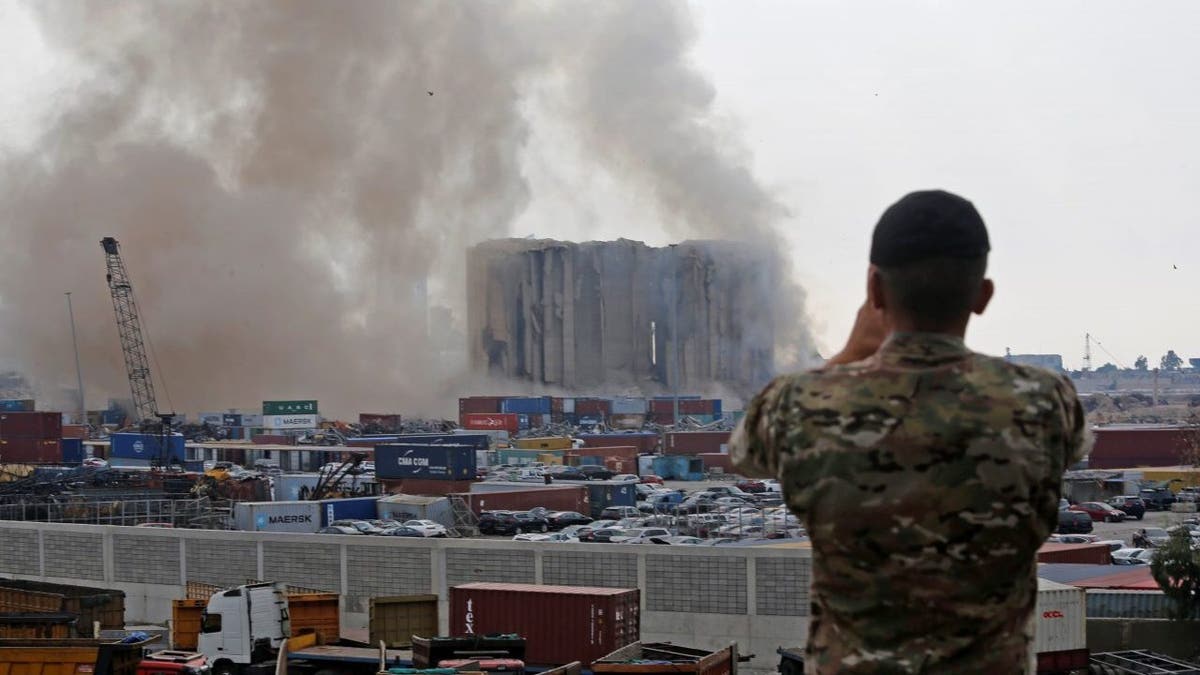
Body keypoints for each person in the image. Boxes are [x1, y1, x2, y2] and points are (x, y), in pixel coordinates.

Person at [731, 190, 1087, 674]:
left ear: (875, 292)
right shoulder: (1043, 400)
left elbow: (745, 454)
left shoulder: (801, 405)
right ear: (983, 296)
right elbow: (1072, 449)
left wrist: (846, 358)